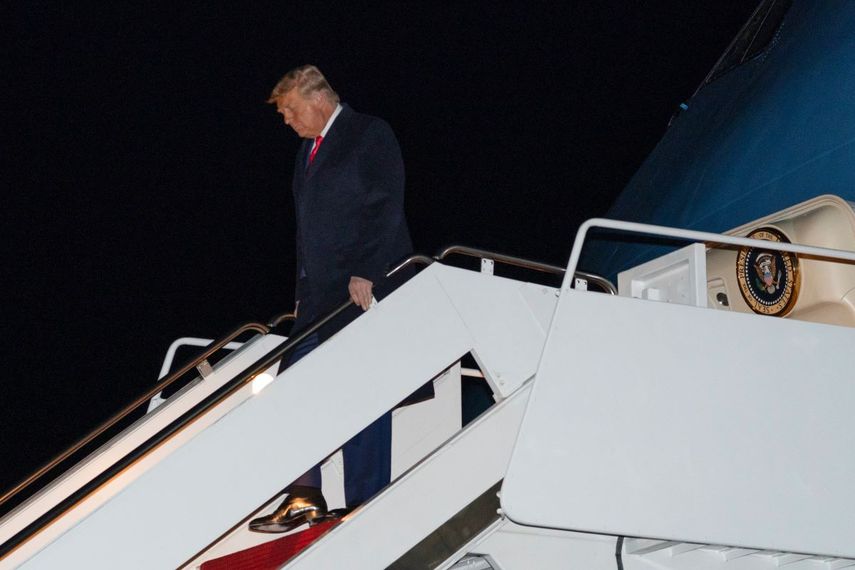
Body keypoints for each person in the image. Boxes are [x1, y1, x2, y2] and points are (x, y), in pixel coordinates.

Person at [249, 65, 414, 533]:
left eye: (290, 110)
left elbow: (386, 203)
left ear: (318, 99)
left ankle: (365, 499)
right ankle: (304, 494)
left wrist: (369, 270)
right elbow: (307, 232)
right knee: (292, 386)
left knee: (361, 391)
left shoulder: (368, 133)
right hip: (318, 298)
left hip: (358, 289)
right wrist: (301, 293)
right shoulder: (307, 152)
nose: (287, 121)